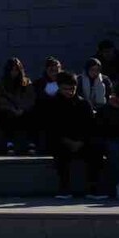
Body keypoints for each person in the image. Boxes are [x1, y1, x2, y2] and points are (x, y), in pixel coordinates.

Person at [46, 72, 101, 200]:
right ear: (59, 87)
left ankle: (93, 187)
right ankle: (64, 187)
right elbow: (52, 128)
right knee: (60, 151)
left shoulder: (83, 103)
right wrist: (68, 141)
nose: (69, 92)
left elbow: (90, 126)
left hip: (82, 141)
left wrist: (81, 141)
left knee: (96, 150)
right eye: (66, 89)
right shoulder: (52, 104)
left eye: (72, 89)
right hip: (62, 140)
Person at [0, 58, 36, 155]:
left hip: (22, 111)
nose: (14, 72)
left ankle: (31, 144)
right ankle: (9, 143)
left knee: (32, 114)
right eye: (12, 70)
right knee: (4, 115)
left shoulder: (26, 82)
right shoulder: (2, 84)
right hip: (9, 111)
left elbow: (30, 98)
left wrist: (22, 109)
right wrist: (11, 108)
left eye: (16, 70)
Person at [29, 57, 64, 153]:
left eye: (56, 70)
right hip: (43, 111)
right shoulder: (39, 83)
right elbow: (36, 98)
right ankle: (33, 143)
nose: (54, 73)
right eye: (51, 70)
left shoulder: (64, 82)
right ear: (47, 70)